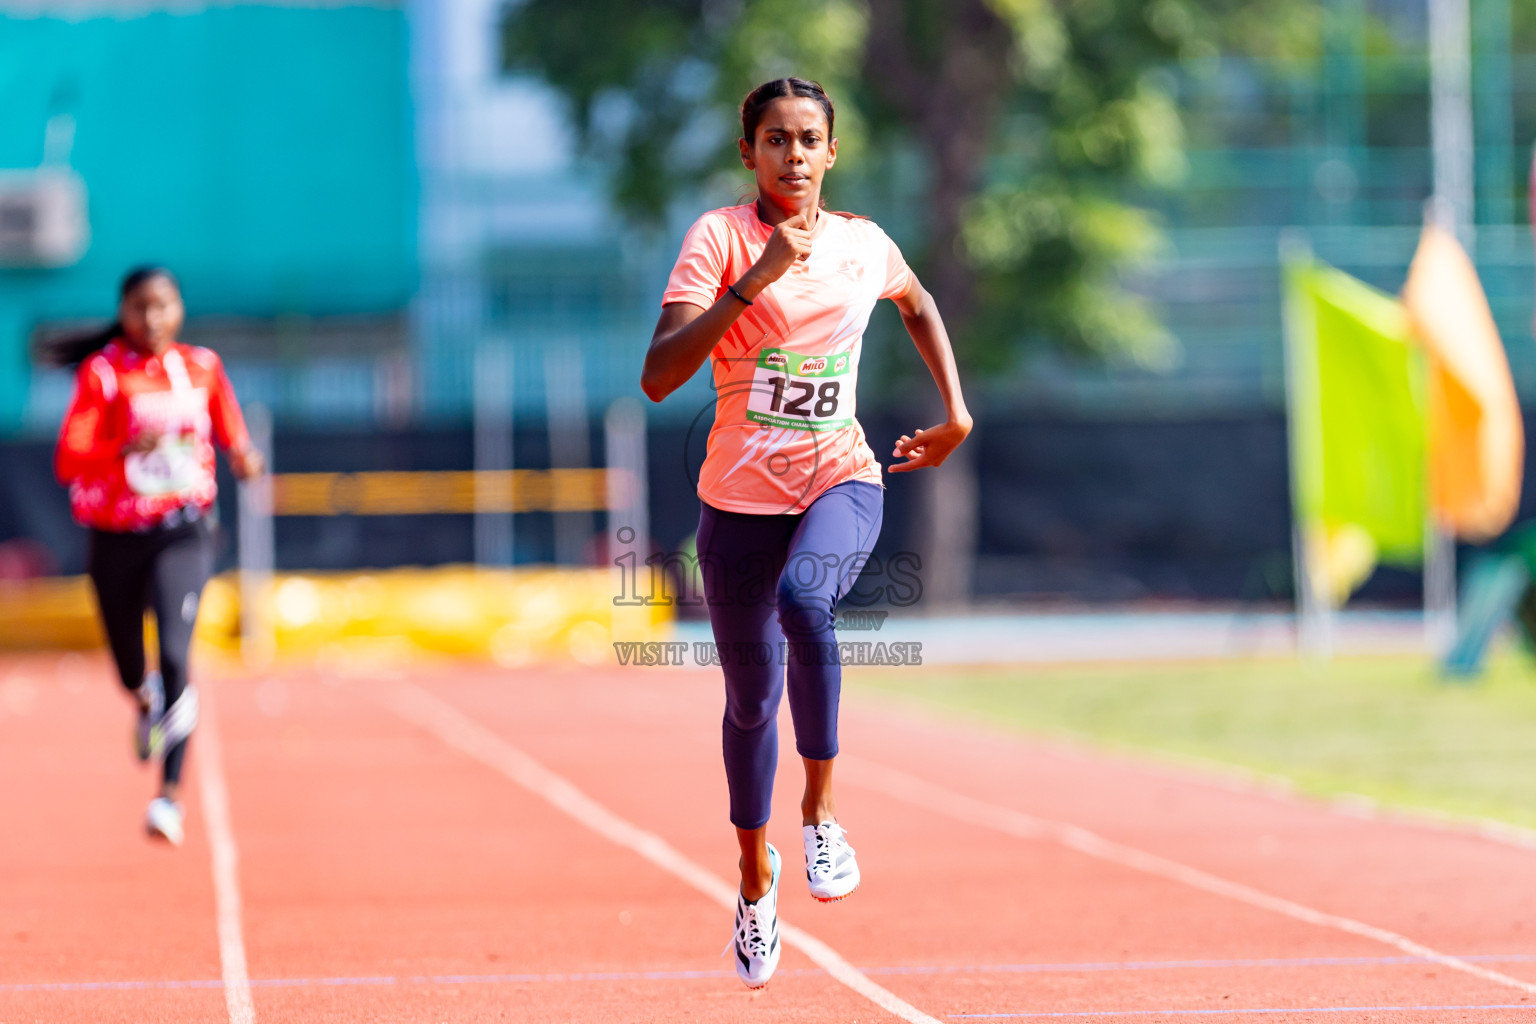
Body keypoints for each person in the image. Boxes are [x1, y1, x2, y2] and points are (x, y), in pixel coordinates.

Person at [641, 77, 972, 988]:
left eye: (808, 139)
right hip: (738, 502)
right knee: (749, 704)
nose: (793, 155)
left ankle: (822, 816)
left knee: (806, 601)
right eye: (775, 140)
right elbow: (660, 376)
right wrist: (754, 282)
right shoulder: (718, 240)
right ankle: (755, 881)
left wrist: (955, 412)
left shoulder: (865, 244)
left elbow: (918, 303)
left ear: (833, 153)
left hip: (841, 478)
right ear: (749, 152)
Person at [51, 266, 265, 845]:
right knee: (131, 666)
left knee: (175, 654)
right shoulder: (103, 375)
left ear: (179, 310)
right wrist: (122, 446)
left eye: (163, 307)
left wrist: (245, 458)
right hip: (115, 534)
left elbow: (232, 433)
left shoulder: (202, 367)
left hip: (183, 529)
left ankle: (168, 796)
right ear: (123, 311)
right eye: (140, 308)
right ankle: (142, 697)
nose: (152, 319)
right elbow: (69, 460)